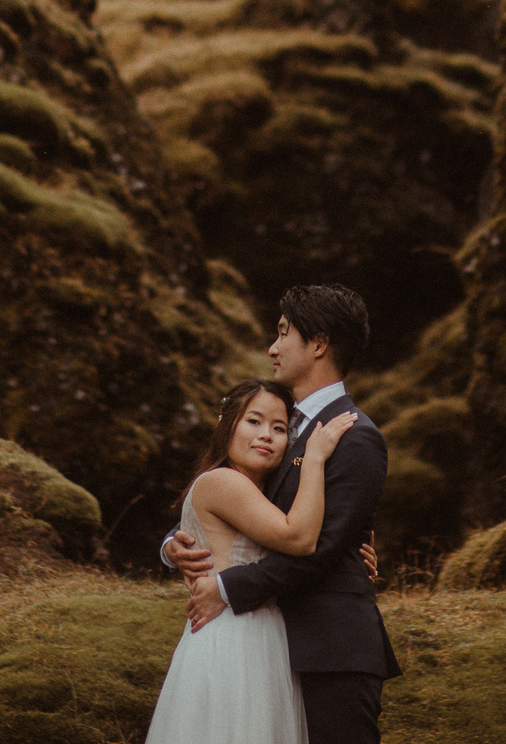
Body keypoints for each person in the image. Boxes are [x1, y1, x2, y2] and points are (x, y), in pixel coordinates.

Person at [163, 285, 402, 744]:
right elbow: (238, 498)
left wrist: (227, 588)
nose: (272, 348)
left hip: (330, 649)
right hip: (269, 648)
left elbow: (324, 550)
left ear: (318, 344)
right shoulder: (278, 421)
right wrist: (179, 542)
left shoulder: (355, 436)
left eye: (283, 334)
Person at [143, 378, 357, 744]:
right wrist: (316, 459)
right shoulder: (224, 481)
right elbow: (298, 537)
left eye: (279, 428)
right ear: (228, 426)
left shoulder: (257, 491)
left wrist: (352, 546)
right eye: (253, 421)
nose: (266, 435)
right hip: (234, 636)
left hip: (260, 634)